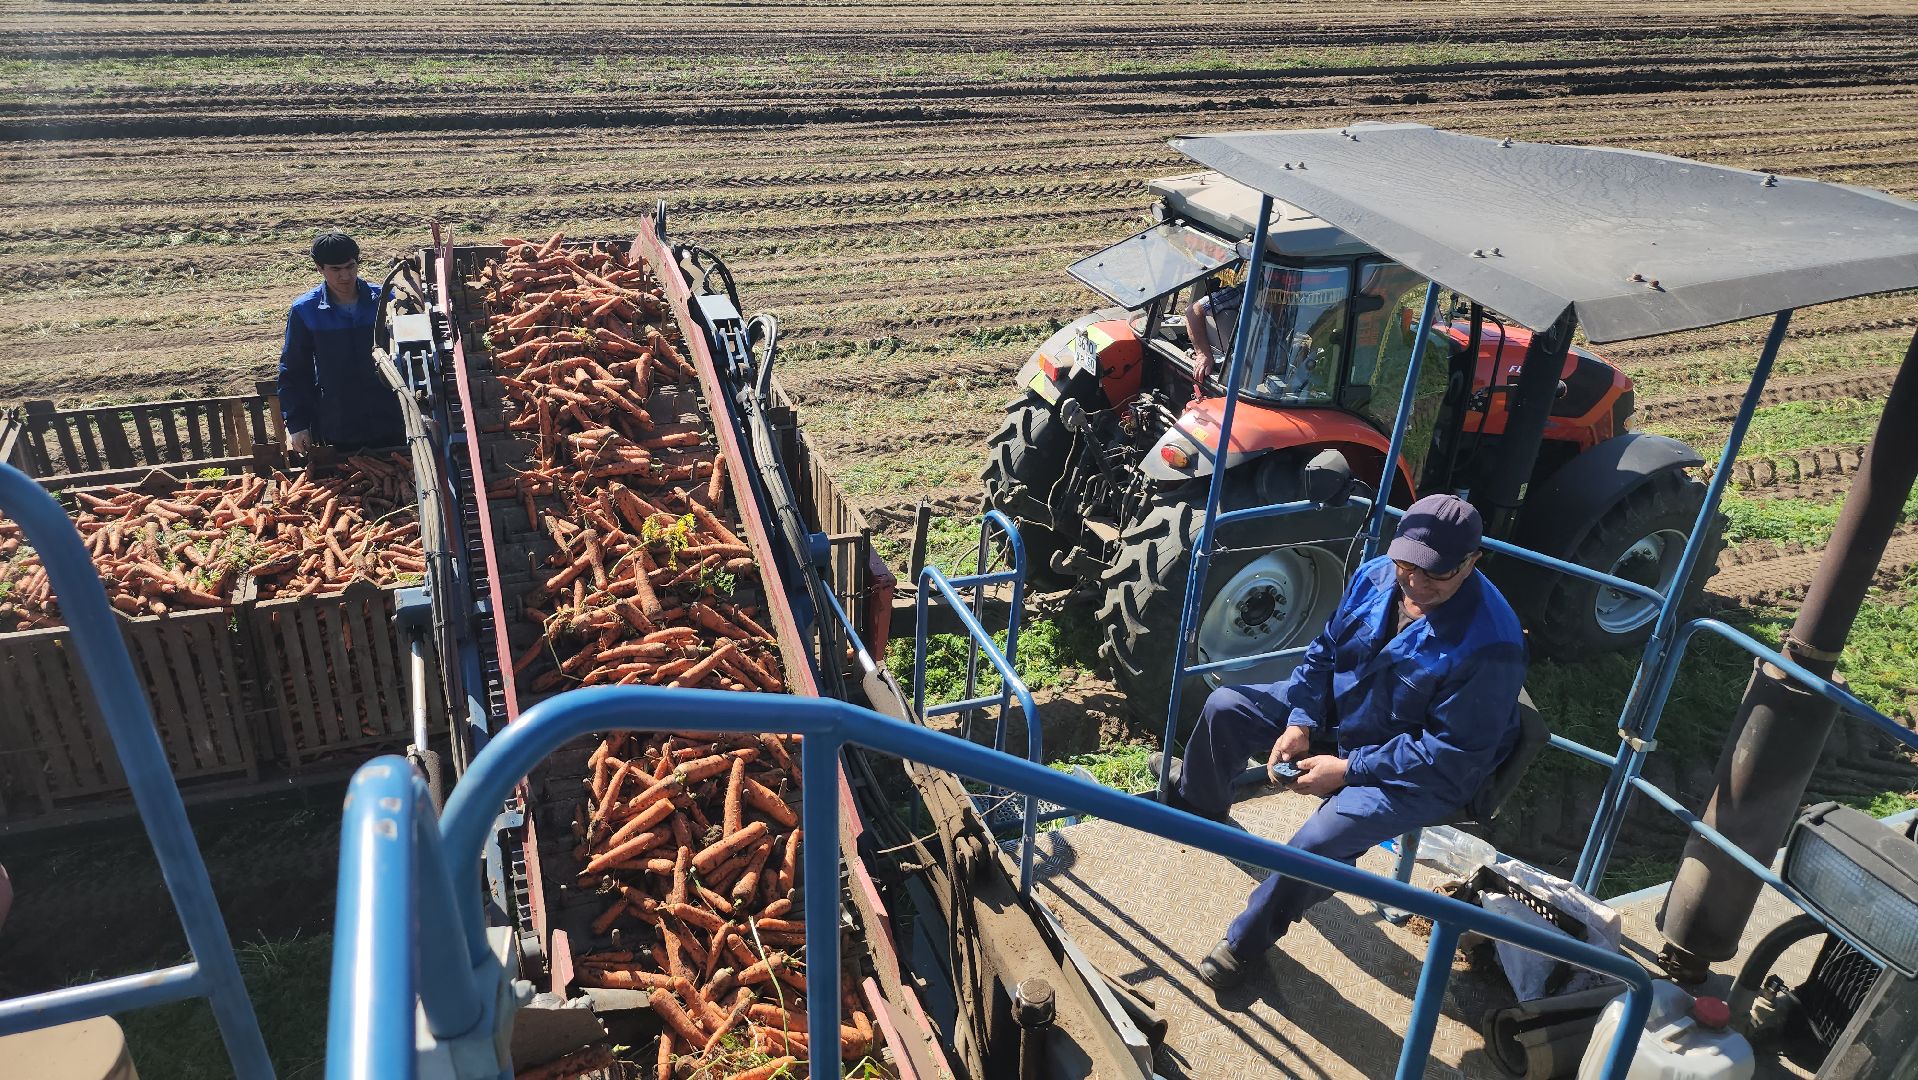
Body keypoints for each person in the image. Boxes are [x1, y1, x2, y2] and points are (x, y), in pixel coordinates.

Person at [1153, 494, 1527, 990]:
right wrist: (1301, 722)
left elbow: (1448, 753)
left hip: (1416, 769)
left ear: (1472, 562)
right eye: (1406, 565)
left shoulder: (1492, 645)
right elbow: (1326, 651)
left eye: (1434, 574)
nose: (1414, 582)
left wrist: (1346, 771)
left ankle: (1246, 945)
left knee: (1314, 844)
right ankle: (1200, 805)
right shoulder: (1376, 576)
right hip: (1344, 712)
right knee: (1226, 708)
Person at [278, 231, 404, 453]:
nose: (345, 276)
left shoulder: (386, 301)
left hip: (392, 415)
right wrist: (297, 424)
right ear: (319, 268)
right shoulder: (305, 310)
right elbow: (295, 369)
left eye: (350, 266)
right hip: (338, 421)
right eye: (335, 270)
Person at [1184, 277, 1243, 387]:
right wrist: (1203, 354)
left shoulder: (1283, 296)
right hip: (1241, 372)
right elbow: (1193, 311)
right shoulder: (1242, 293)